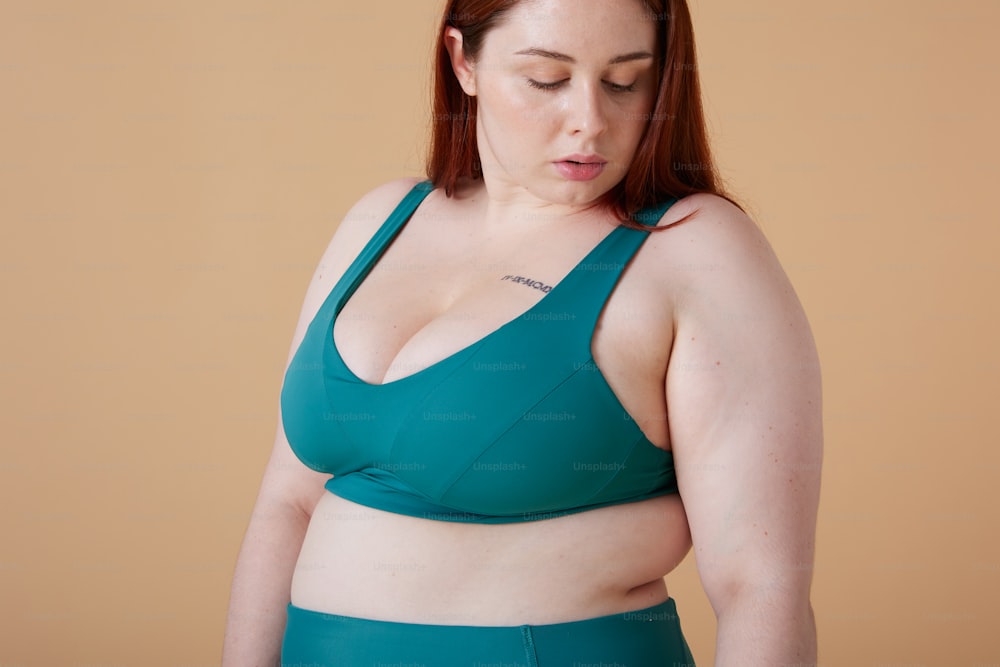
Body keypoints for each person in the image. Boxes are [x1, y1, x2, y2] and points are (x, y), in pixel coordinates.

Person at [222, 0, 823, 664]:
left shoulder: (695, 248)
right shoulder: (380, 218)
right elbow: (287, 502)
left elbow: (760, 585)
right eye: (546, 79)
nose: (589, 121)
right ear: (463, 61)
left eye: (625, 81)